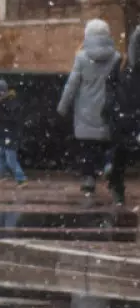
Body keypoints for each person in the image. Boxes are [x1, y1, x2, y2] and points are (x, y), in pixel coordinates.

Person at [57, 19, 121, 195]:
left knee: (88, 148)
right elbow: (119, 84)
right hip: (107, 109)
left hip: (85, 111)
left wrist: (63, 106)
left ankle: (89, 179)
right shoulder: (116, 58)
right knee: (107, 143)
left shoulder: (81, 58)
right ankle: (108, 165)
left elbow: (72, 84)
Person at [105, 26, 140, 206]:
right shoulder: (122, 64)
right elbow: (110, 86)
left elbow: (110, 86)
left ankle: (116, 185)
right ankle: (116, 184)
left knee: (121, 154)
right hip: (126, 115)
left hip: (125, 114)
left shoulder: (122, 64)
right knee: (121, 153)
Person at [0, 79, 27, 188]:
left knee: (11, 159)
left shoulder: (10, 103)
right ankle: (2, 175)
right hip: (5, 135)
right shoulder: (3, 104)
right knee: (0, 155)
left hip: (11, 135)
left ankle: (21, 179)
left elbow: (11, 119)